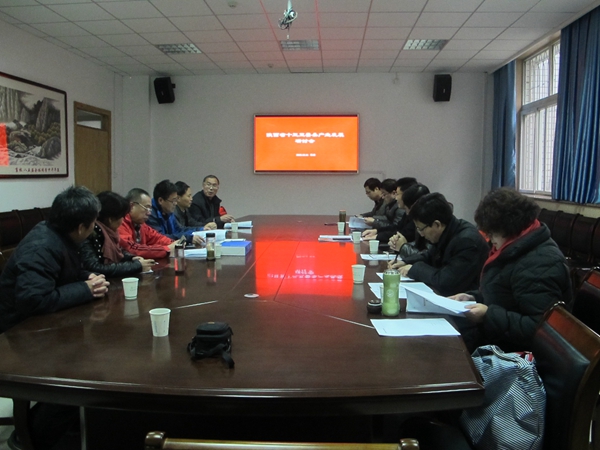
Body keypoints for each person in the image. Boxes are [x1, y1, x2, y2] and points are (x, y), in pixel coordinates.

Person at [0, 186, 110, 450]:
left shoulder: (60, 234)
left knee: (96, 358)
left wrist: (87, 278)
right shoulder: (41, 246)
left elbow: (63, 273)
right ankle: (36, 437)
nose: (95, 228)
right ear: (81, 226)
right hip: (21, 331)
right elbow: (34, 300)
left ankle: (76, 425)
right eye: (94, 222)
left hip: (44, 322)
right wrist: (85, 289)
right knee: (81, 374)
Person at [451, 188, 572, 352]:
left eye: (492, 233)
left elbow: (540, 329)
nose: (489, 238)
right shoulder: (516, 247)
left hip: (519, 353)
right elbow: (506, 294)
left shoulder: (540, 263)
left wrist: (489, 315)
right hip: (498, 338)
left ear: (509, 228)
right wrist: (473, 297)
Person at [389, 192, 489, 296]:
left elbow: (447, 283)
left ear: (437, 224)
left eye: (421, 229)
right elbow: (429, 255)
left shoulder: (467, 241)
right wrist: (405, 262)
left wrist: (414, 269)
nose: (421, 234)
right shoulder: (449, 230)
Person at [80, 191, 155, 278]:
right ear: (111, 219)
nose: (123, 221)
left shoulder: (109, 233)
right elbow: (96, 268)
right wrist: (136, 266)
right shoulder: (91, 233)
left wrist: (131, 258)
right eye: (122, 217)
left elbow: (119, 251)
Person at [119, 188, 178, 259]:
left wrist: (174, 243)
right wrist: (166, 249)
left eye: (150, 209)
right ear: (131, 207)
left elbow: (157, 238)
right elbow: (132, 249)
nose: (149, 213)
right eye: (146, 208)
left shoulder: (141, 224)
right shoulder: (120, 223)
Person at [147, 180, 210, 245]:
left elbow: (179, 230)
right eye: (173, 201)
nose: (175, 203)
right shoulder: (150, 214)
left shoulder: (168, 212)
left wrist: (200, 229)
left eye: (176, 200)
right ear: (160, 200)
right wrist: (188, 238)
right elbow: (161, 238)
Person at [362, 177, 418, 243]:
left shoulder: (408, 212)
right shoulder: (405, 212)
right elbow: (396, 227)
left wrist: (377, 235)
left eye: (397, 194)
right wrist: (376, 231)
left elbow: (402, 234)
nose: (396, 198)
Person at [388, 184, 431, 258]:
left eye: (397, 194)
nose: (408, 213)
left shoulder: (429, 222)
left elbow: (428, 257)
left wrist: (403, 246)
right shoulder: (419, 220)